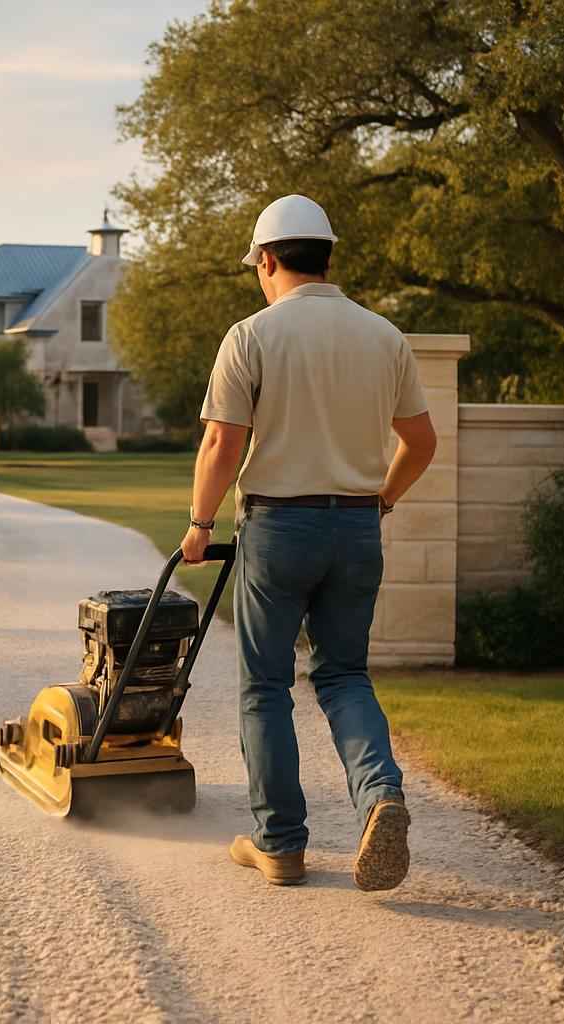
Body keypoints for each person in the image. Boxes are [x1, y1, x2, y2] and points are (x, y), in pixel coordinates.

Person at [181, 194, 439, 890]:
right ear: (328, 257)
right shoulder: (384, 336)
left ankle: (281, 844)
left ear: (267, 260)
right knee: (344, 674)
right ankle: (380, 794)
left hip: (279, 527)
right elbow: (421, 442)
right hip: (357, 525)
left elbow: (221, 440)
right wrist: (381, 497)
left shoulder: (252, 335)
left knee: (266, 684)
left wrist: (202, 524)